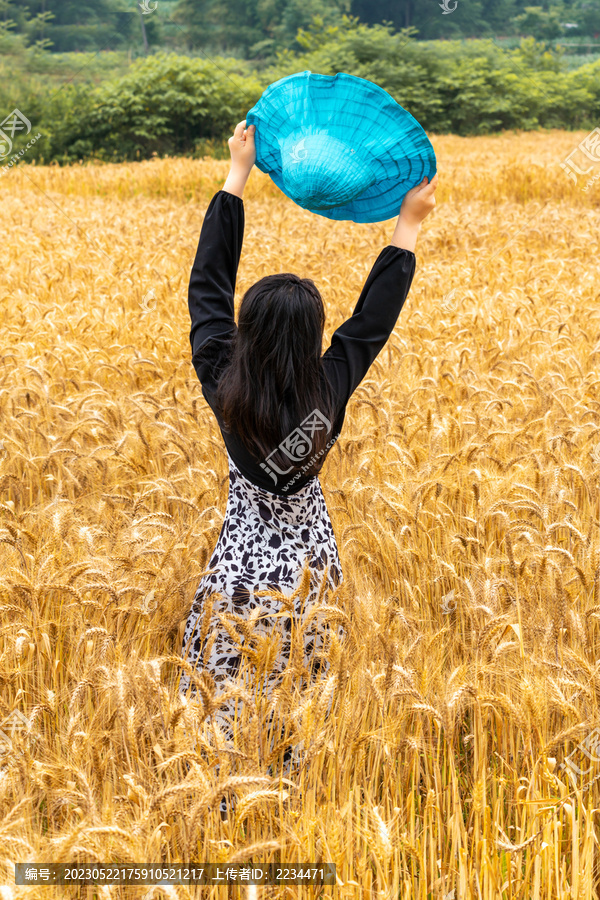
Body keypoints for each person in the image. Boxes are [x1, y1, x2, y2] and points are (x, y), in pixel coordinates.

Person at [178, 119, 438, 778]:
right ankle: (295, 786)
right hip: (310, 572)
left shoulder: (222, 379)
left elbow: (207, 288)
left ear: (246, 334)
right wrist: (408, 223)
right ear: (312, 339)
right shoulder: (328, 388)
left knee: (227, 700)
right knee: (301, 691)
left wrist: (237, 174)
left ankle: (226, 796)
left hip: (240, 573)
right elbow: (371, 324)